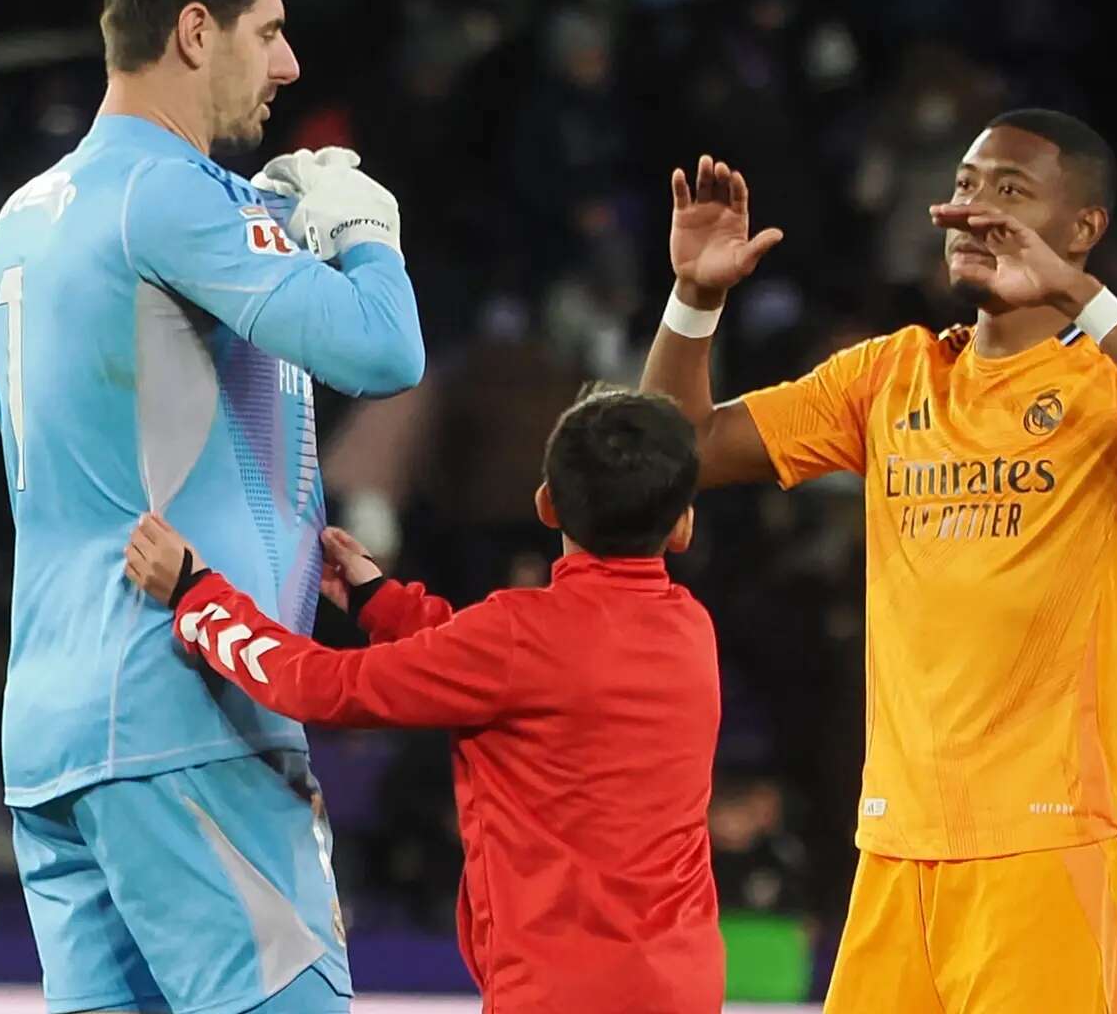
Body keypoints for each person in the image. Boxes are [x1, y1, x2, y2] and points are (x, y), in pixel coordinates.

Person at [640, 111, 1117, 1013]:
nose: (974, 210)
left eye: (1011, 191)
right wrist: (694, 300)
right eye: (967, 185)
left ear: (1082, 229)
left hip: (1053, 843)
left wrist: (1083, 298)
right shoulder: (891, 376)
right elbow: (679, 450)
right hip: (898, 847)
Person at [0, 0, 425, 1011]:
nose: (289, 65)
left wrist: (257, 218)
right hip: (184, 715)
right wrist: (367, 232)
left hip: (54, 732)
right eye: (267, 31)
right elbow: (384, 350)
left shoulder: (23, 218)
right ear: (193, 31)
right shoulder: (173, 201)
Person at [123, 388, 724, 1014]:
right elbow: (527, 673)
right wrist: (380, 602)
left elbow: (321, 687)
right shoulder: (691, 630)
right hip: (685, 986)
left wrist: (198, 596)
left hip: (559, 994)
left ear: (547, 505)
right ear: (683, 525)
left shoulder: (519, 638)